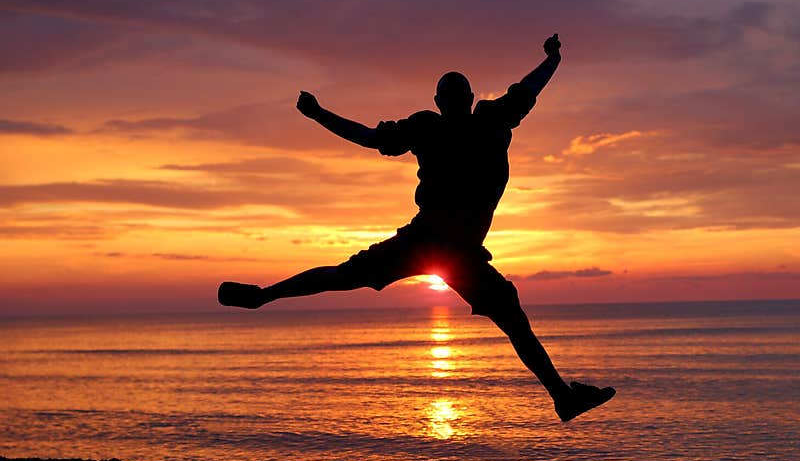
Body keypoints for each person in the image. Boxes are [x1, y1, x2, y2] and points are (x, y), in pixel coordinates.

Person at [219, 34, 615, 421]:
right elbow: (529, 89)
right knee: (512, 319)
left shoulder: (440, 126)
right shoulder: (489, 122)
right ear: (469, 99)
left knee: (347, 275)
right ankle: (561, 397)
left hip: (429, 244)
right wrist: (553, 59)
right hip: (452, 251)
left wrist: (319, 113)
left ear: (441, 103)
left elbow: (369, 137)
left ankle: (263, 297)